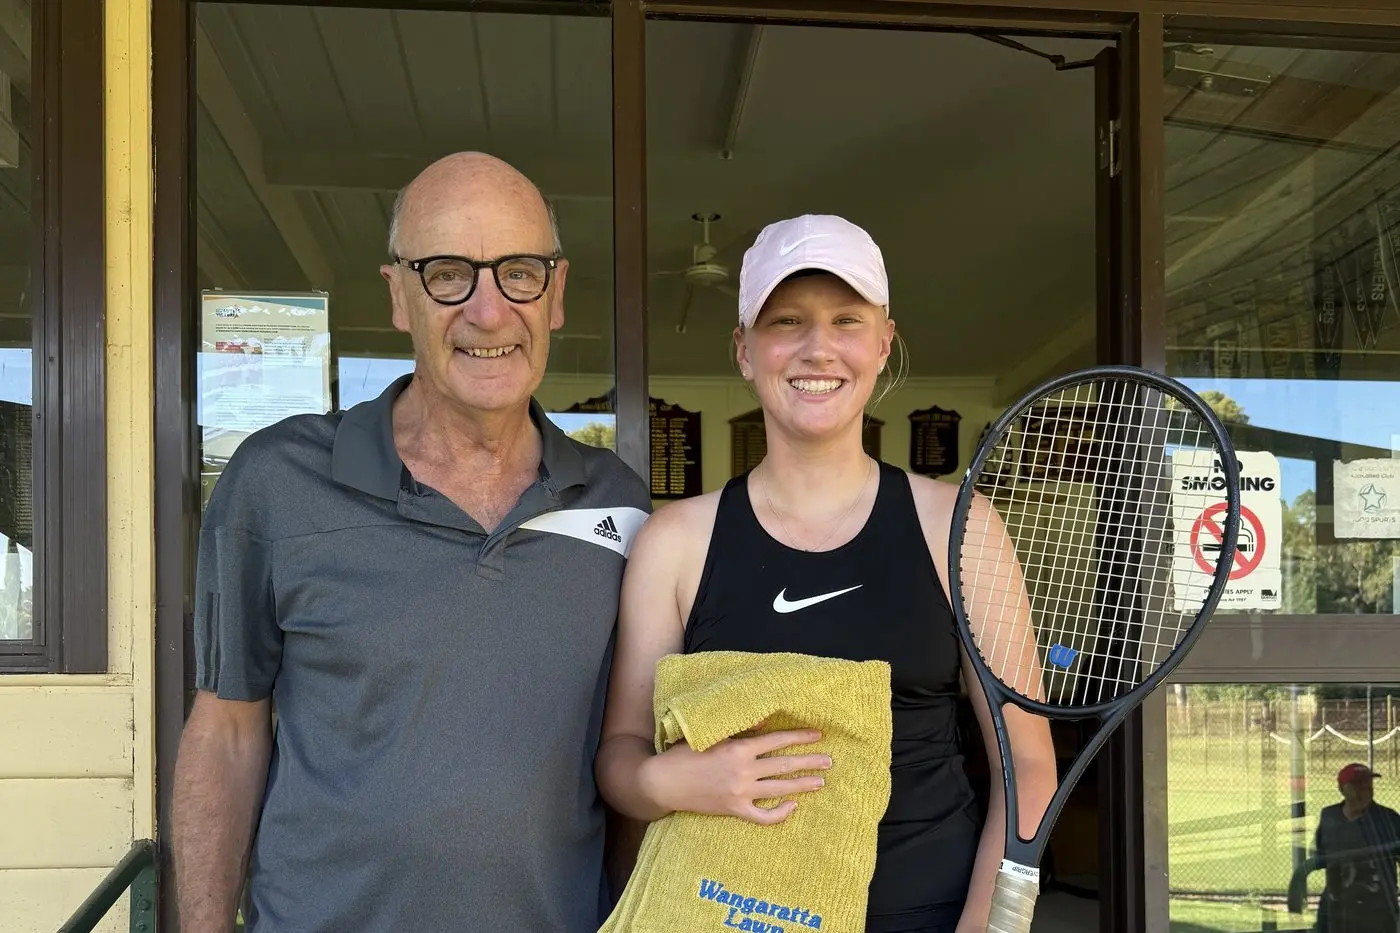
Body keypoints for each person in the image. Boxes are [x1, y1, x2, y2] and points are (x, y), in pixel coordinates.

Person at [171, 152, 652, 933]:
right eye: (448, 273)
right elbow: (226, 732)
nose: (489, 311)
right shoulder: (277, 482)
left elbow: (630, 755)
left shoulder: (619, 505)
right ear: (398, 294)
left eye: (519, 272)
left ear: (556, 292)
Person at [594, 213, 1059, 933]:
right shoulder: (676, 541)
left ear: (883, 343)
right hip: (725, 915)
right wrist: (669, 779)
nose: (818, 348)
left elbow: (1026, 761)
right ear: (744, 351)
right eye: (787, 321)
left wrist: (990, 924)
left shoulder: (959, 527)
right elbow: (619, 753)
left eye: (846, 319)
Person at [1300, 763, 1400, 933]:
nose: (1366, 789)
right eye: (1358, 785)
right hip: (1336, 907)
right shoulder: (1330, 816)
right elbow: (1319, 854)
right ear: (1343, 789)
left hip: (1378, 909)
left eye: (1368, 784)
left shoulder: (1388, 818)